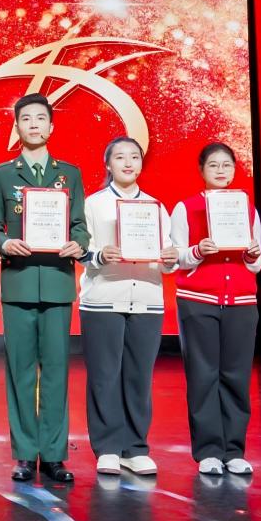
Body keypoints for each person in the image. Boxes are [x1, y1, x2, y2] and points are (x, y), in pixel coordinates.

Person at [0, 93, 88, 483]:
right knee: (21, 372)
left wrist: (80, 243)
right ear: (17, 126)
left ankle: (56, 455)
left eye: (40, 118)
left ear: (51, 126)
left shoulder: (70, 174)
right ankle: (26, 454)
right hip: (19, 282)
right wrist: (3, 243)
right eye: (25, 118)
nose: (33, 124)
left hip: (58, 283)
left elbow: (79, 225)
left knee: (57, 371)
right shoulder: (1, 175)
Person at [80, 136, 178, 476]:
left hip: (147, 299)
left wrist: (170, 258)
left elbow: (167, 256)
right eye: (120, 157)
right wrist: (99, 256)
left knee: (139, 376)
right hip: (104, 298)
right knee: (105, 376)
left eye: (134, 157)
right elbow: (82, 250)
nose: (127, 163)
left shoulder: (156, 207)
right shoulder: (93, 204)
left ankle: (135, 447)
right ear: (108, 164)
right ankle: (108, 447)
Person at [169, 142, 261, 476]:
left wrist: (252, 254)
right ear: (202, 170)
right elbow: (175, 256)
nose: (221, 171)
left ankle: (234, 450)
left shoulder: (247, 208)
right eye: (213, 165)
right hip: (198, 300)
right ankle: (209, 451)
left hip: (241, 301)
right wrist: (197, 250)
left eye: (227, 165)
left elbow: (256, 264)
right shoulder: (186, 207)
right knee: (203, 375)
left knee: (236, 376)